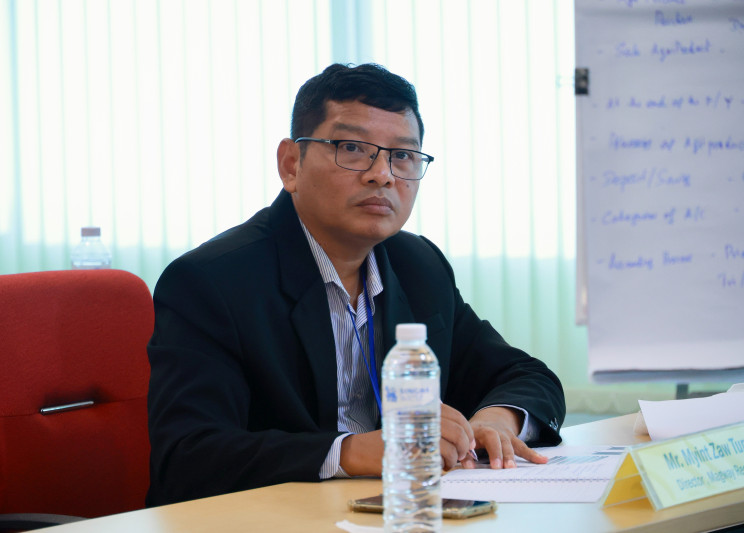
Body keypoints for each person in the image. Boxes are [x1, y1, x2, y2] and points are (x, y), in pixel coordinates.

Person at [146, 63, 565, 507]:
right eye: (352, 148)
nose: (382, 174)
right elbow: (187, 457)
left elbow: (528, 376)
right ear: (291, 164)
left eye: (402, 156)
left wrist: (496, 421)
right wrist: (350, 452)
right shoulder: (212, 282)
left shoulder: (418, 265)